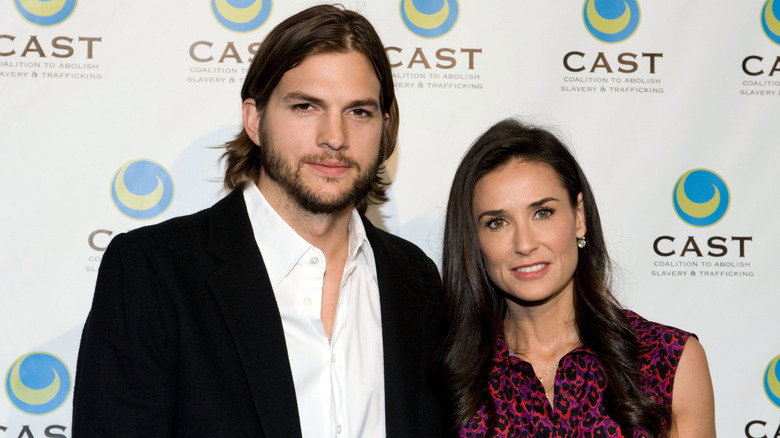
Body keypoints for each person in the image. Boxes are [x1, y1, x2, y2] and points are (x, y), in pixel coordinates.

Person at [72, 5, 445, 437]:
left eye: (358, 112)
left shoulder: (414, 278)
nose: (335, 137)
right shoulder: (155, 272)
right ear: (254, 119)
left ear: (385, 127)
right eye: (306, 107)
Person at [441, 118, 716, 437]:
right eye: (497, 222)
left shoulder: (665, 358)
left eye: (542, 213)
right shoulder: (449, 377)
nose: (525, 244)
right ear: (473, 239)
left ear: (580, 217)